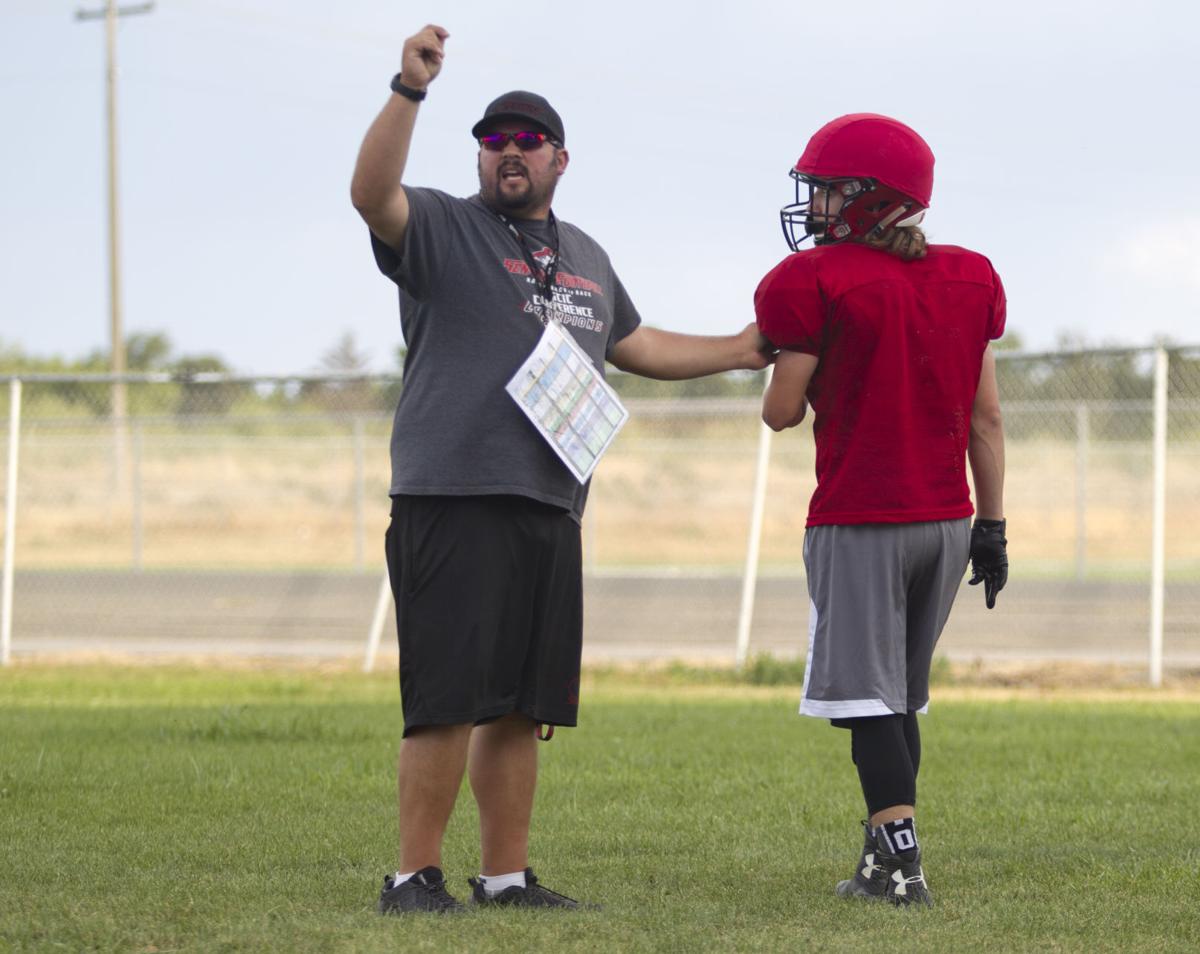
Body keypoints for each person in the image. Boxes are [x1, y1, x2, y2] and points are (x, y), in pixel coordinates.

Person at [350, 24, 771, 914]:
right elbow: (370, 194)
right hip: (453, 495)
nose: (509, 151)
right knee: (446, 698)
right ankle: (413, 877)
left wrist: (739, 349)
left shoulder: (584, 255)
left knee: (519, 704)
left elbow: (636, 344)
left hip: (550, 500)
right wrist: (409, 88)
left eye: (528, 140)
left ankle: (505, 878)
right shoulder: (443, 227)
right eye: (494, 140)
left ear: (560, 159)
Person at [753, 113, 1009, 907]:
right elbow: (986, 419)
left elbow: (780, 412)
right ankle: (880, 861)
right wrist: (993, 527)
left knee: (868, 701)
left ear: (871, 197)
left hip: (862, 515)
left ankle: (902, 868)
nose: (815, 206)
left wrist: (798, 353)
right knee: (897, 698)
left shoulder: (814, 279)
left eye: (829, 191)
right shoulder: (970, 276)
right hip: (948, 521)